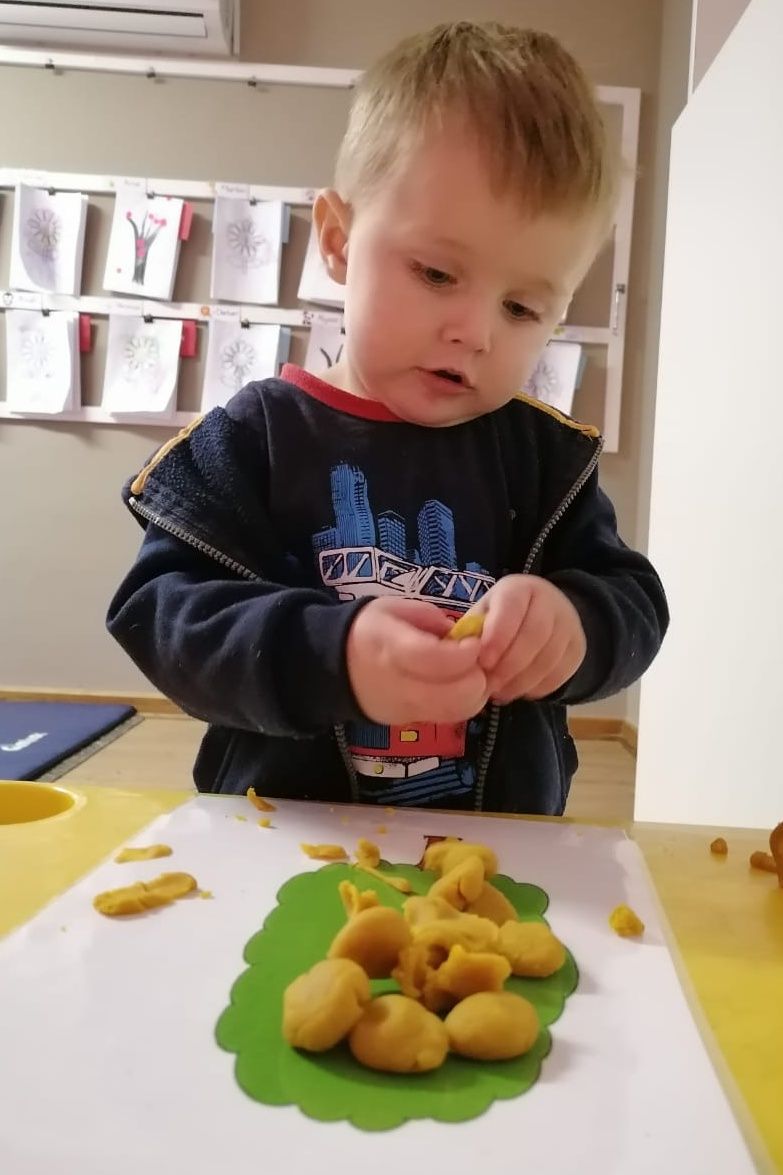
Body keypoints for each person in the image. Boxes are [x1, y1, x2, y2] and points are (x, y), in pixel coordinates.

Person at [107, 21, 668, 814]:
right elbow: (161, 613)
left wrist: (574, 625)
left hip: (497, 852)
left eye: (520, 306)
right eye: (436, 272)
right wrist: (331, 654)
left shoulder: (544, 458)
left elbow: (633, 600)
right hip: (276, 840)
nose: (473, 332)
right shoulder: (251, 439)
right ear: (337, 241)